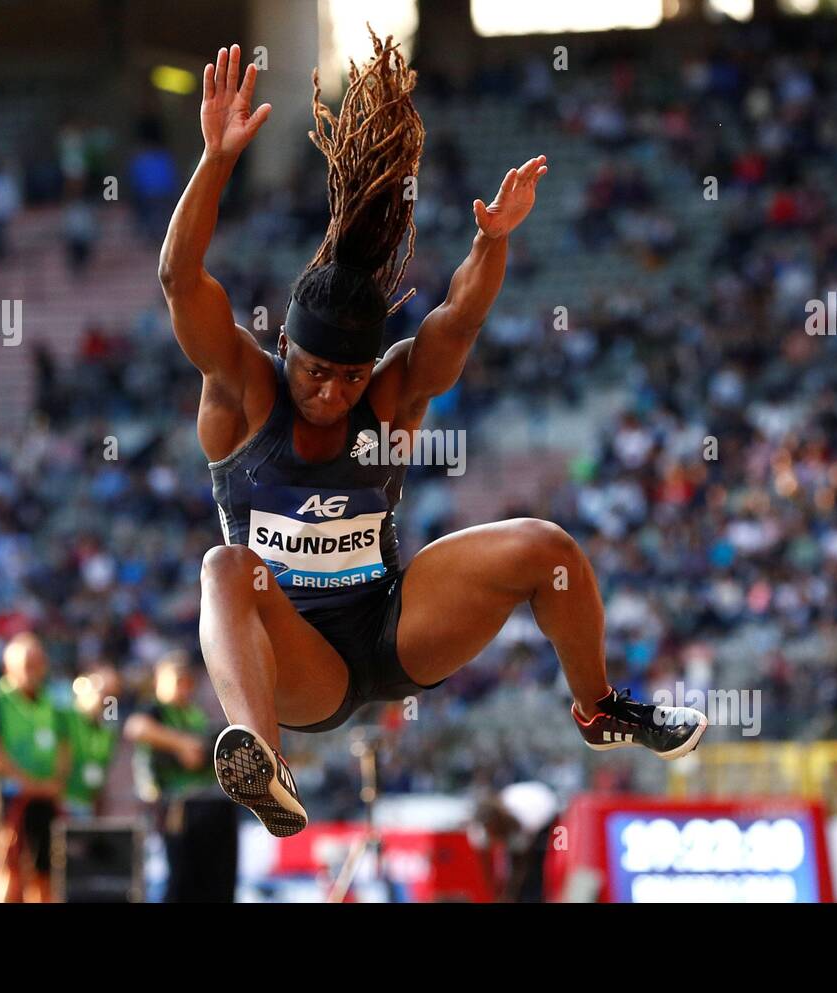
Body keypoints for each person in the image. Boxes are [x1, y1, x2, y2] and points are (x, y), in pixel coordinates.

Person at [159, 36, 706, 839]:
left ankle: (599, 707)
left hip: (392, 625)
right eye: (315, 372)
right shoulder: (243, 393)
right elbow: (180, 280)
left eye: (349, 376)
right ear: (286, 351)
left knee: (545, 548)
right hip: (301, 663)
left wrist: (492, 241)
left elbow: (457, 320)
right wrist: (213, 160)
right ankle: (266, 765)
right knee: (224, 566)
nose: (332, 391)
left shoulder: (387, 393)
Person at [124, 650, 237, 902]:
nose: (183, 687)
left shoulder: (195, 714)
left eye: (187, 681)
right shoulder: (155, 710)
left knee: (218, 881)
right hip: (178, 806)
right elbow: (135, 727)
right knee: (182, 880)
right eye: (176, 680)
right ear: (158, 682)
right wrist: (182, 744)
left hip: (213, 805)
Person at [0, 632, 69, 902]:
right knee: (9, 868)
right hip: (10, 797)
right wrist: (23, 780)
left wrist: (54, 782)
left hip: (44, 798)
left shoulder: (52, 702)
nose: (33, 671)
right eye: (27, 664)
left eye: (37, 663)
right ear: (9, 667)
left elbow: (64, 746)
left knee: (45, 871)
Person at [62, 665, 121, 818]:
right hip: (66, 802)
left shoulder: (108, 728)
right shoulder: (65, 718)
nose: (103, 696)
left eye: (110, 693)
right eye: (99, 687)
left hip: (91, 805)